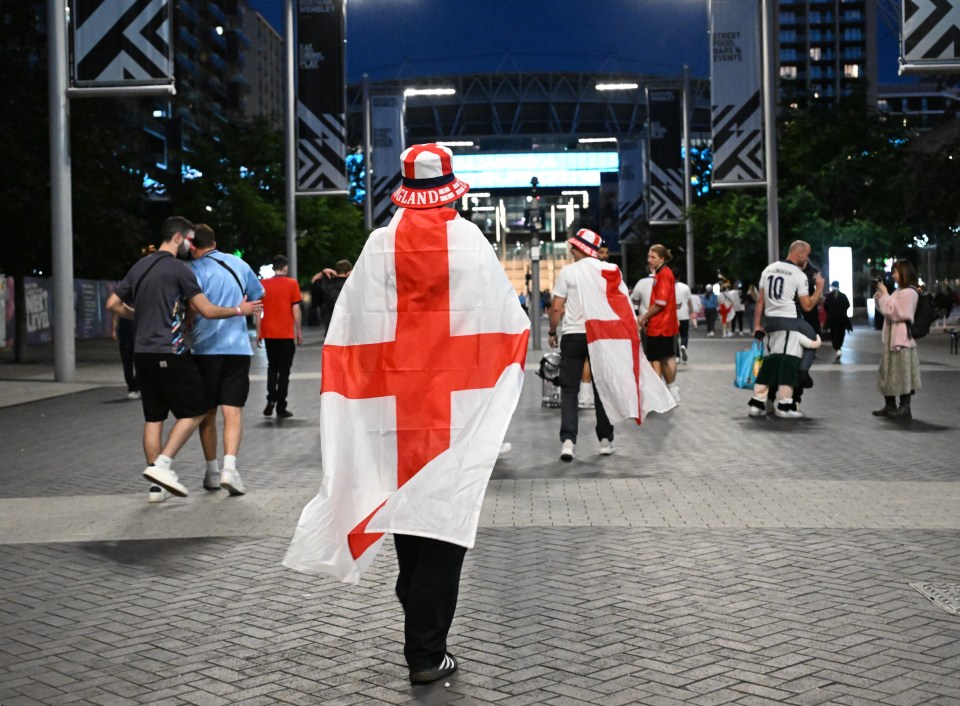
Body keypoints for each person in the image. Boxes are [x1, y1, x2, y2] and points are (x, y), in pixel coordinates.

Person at [284, 143, 529, 686]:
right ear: (451, 185)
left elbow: (349, 333)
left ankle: (422, 631)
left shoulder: (378, 244)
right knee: (443, 522)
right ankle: (424, 651)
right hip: (456, 407)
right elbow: (510, 325)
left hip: (391, 412)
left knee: (408, 521)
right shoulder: (470, 241)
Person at [105, 216, 262, 501]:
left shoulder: (140, 266)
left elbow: (112, 304)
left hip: (145, 353)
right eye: (188, 240)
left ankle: (158, 487)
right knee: (199, 410)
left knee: (154, 418)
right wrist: (241, 310)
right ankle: (166, 465)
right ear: (178, 237)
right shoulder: (180, 269)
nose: (190, 247)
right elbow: (208, 310)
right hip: (176, 350)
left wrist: (138, 315)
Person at [188, 224, 264, 496]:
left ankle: (211, 470)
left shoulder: (192, 271)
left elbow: (190, 310)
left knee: (207, 414)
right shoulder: (238, 263)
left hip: (203, 351)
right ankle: (231, 469)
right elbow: (257, 297)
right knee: (232, 412)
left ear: (192, 247)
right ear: (215, 242)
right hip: (237, 350)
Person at [548, 228, 616, 461]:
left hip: (573, 334)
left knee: (569, 389)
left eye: (574, 248)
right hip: (600, 335)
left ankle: (568, 442)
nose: (571, 251)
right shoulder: (610, 270)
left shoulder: (568, 272)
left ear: (582, 249)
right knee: (602, 388)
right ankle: (605, 441)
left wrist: (552, 331)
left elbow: (556, 307)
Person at [753, 240, 824, 417]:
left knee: (771, 361)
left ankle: (760, 403)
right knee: (809, 341)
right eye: (806, 255)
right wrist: (819, 289)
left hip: (771, 323)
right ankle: (799, 379)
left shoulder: (768, 269)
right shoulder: (798, 274)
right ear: (798, 253)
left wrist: (757, 326)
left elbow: (760, 301)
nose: (807, 259)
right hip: (790, 322)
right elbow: (807, 306)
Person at [872, 260, 921, 420]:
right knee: (888, 371)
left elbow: (892, 311)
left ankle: (904, 407)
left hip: (901, 339)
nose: (893, 275)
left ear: (904, 273)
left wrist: (885, 294)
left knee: (902, 372)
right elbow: (885, 309)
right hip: (893, 337)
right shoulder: (900, 291)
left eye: (896, 272)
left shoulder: (909, 292)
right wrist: (881, 294)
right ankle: (890, 405)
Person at [257, 255, 303, 418]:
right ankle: (281, 406)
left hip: (269, 333)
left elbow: (258, 311)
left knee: (272, 367)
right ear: (285, 268)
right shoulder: (292, 284)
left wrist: (258, 332)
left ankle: (271, 398)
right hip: (285, 334)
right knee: (284, 371)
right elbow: (296, 309)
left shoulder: (263, 285)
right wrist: (298, 331)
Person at [637, 244, 681, 404]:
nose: (649, 260)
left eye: (653, 257)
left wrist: (644, 317)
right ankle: (666, 391)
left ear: (662, 259)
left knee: (663, 358)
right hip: (662, 324)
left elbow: (660, 302)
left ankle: (668, 392)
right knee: (661, 358)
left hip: (662, 325)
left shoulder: (663, 275)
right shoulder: (662, 273)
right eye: (648, 256)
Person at [748, 329, 823, 418]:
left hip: (770, 360)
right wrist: (817, 338)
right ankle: (784, 409)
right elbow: (812, 344)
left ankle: (757, 406)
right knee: (786, 383)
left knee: (764, 382)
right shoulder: (797, 334)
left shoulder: (773, 332)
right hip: (789, 362)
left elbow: (765, 342)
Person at [311, 259, 352, 335]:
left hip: (331, 329)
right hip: (350, 329)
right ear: (349, 271)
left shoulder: (327, 284)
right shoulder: (353, 284)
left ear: (336, 271)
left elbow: (314, 281)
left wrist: (323, 272)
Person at [823, 280, 853, 363]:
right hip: (842, 319)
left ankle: (837, 349)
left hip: (832, 319)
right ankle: (839, 348)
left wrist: (831, 312)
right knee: (841, 334)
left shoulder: (829, 297)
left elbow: (825, 307)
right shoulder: (843, 296)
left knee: (834, 334)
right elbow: (848, 305)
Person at [112, 313, 138, 399]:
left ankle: (137, 386)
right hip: (125, 332)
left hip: (138, 332)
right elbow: (116, 314)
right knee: (127, 361)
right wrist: (114, 329)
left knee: (140, 362)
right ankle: (132, 387)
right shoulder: (123, 300)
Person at [675, 277, 695, 363]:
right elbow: (689, 301)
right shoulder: (686, 287)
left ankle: (677, 356)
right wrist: (691, 312)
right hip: (684, 315)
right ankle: (683, 345)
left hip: (673, 316)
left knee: (675, 336)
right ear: (679, 277)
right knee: (684, 334)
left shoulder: (669, 286)